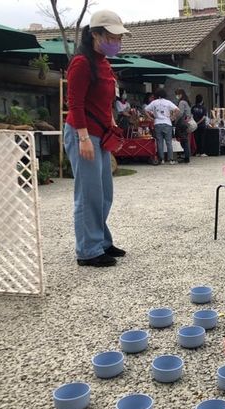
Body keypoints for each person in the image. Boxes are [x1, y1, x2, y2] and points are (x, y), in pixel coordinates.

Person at [63, 10, 130, 267]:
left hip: (100, 133)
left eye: (118, 37)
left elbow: (104, 99)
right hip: (84, 133)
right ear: (96, 35)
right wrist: (82, 137)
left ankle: (101, 240)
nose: (117, 41)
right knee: (88, 193)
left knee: (104, 192)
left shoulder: (103, 61)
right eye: (112, 36)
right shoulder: (81, 62)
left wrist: (111, 123)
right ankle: (88, 250)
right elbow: (75, 103)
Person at [144, 89, 179, 164]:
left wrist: (150, 118)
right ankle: (171, 160)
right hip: (167, 123)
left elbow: (145, 109)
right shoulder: (168, 102)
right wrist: (173, 117)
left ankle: (161, 159)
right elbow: (177, 109)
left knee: (159, 142)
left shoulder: (154, 102)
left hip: (157, 123)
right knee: (169, 142)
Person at [174, 88, 192, 163]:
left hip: (181, 123)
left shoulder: (181, 102)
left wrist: (174, 119)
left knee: (183, 140)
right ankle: (187, 156)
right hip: (186, 122)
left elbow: (180, 113)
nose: (176, 96)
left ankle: (186, 156)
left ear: (180, 94)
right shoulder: (187, 102)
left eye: (177, 94)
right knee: (185, 140)